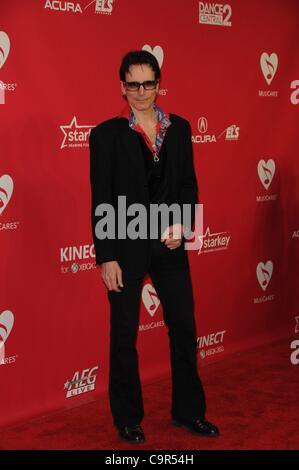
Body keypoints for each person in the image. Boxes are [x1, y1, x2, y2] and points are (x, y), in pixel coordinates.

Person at [89, 50, 219, 444]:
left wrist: (182, 223)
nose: (141, 91)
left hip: (169, 241)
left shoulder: (179, 129)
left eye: (148, 83)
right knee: (124, 334)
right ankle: (128, 418)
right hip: (124, 244)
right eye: (133, 84)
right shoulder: (106, 134)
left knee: (184, 328)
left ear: (159, 84)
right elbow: (101, 197)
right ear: (122, 87)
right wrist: (106, 255)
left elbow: (188, 184)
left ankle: (189, 412)